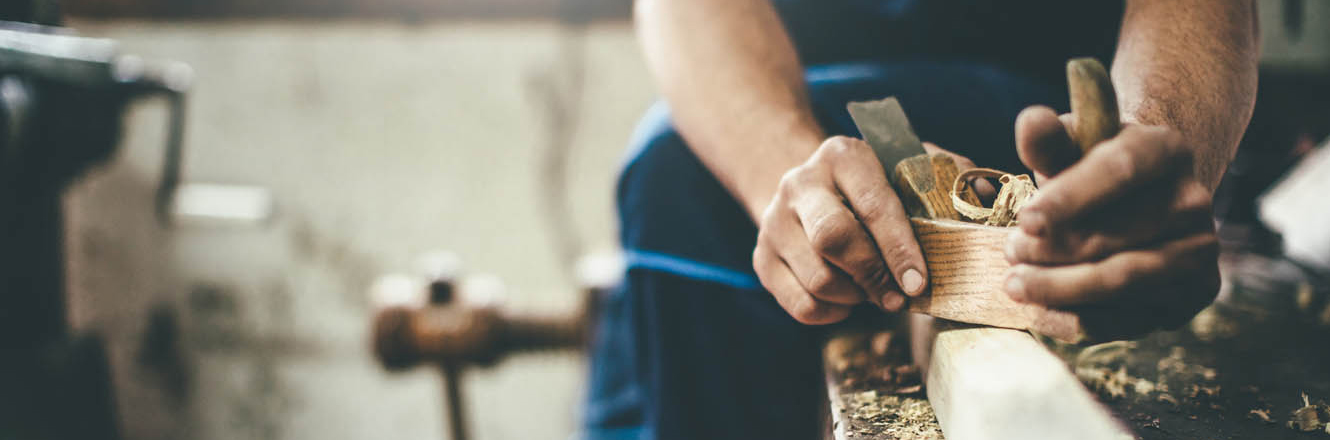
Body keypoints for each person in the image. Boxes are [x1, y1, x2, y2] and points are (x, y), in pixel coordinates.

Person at [583, 1, 1259, 439]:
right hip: (775, 119)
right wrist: (786, 177)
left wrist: (1156, 145)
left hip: (1026, 101)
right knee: (671, 182)